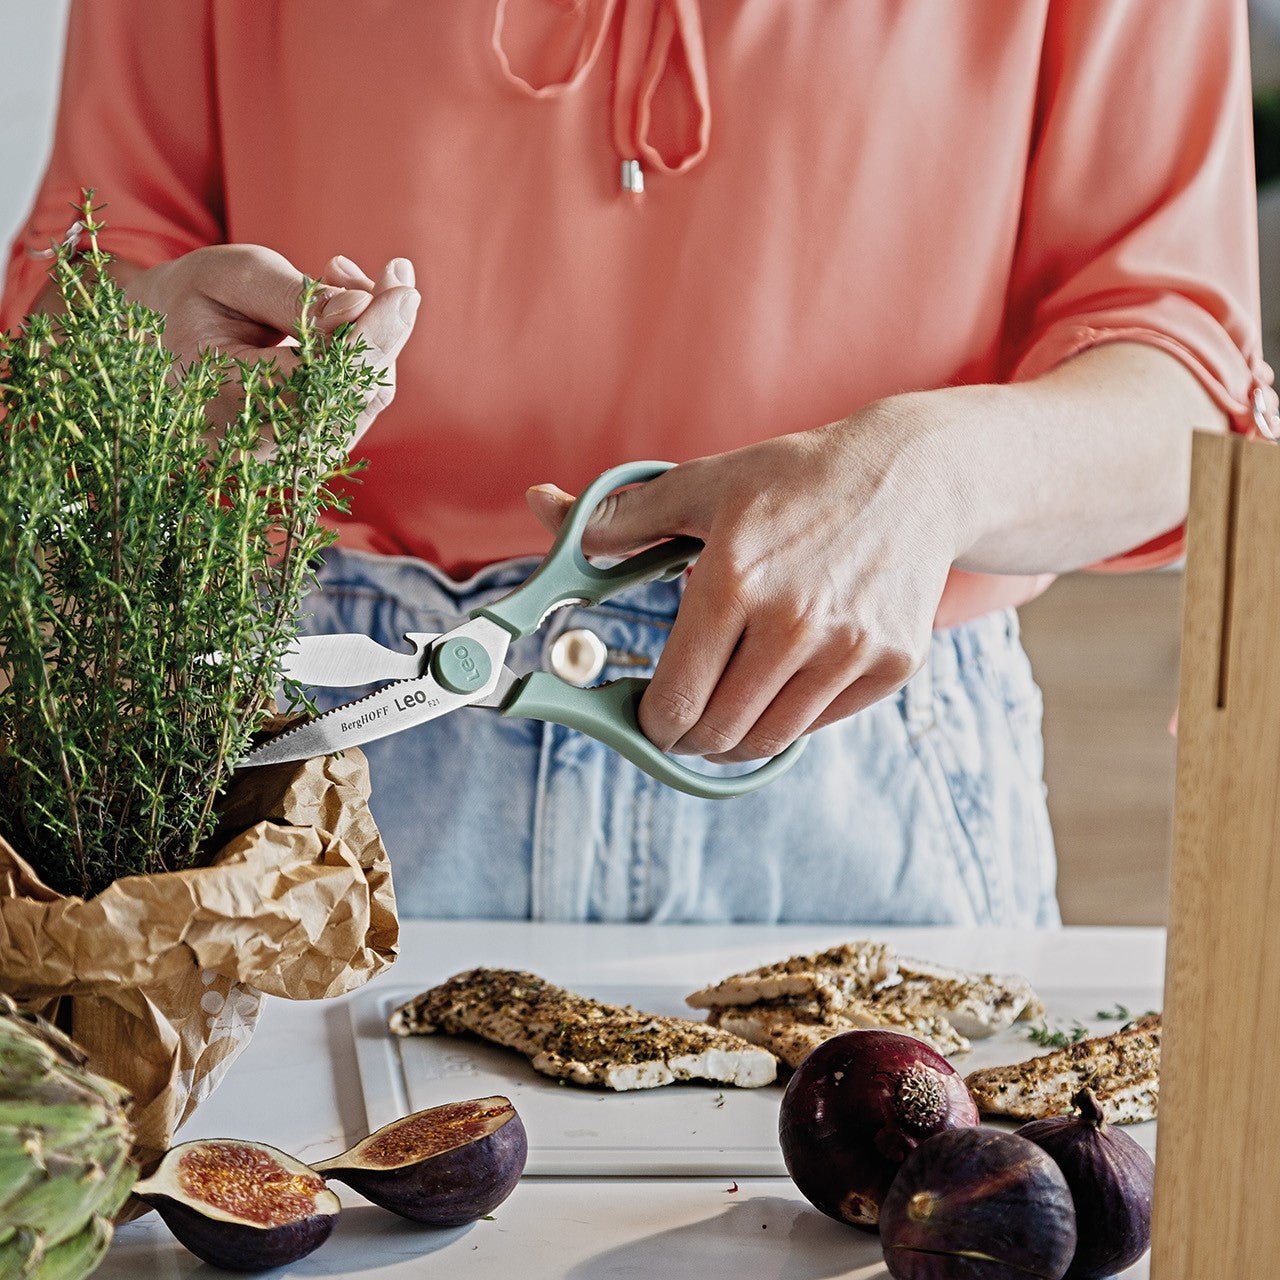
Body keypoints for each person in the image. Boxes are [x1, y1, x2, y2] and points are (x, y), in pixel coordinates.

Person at [4, 1, 1272, 924]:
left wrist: (926, 476)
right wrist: (144, 366)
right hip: (302, 748)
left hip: (855, 750)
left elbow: (1186, 406)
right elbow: (68, 288)